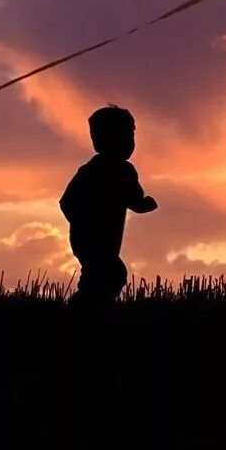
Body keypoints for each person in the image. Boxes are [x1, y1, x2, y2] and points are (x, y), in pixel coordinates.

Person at [61, 105, 157, 312]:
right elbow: (67, 202)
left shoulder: (125, 171)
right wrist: (85, 222)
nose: (128, 143)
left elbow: (133, 198)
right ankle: (82, 312)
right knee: (109, 272)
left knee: (106, 275)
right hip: (89, 238)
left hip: (107, 238)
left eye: (130, 136)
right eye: (122, 136)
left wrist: (143, 204)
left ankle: (92, 310)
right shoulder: (91, 171)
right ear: (99, 140)